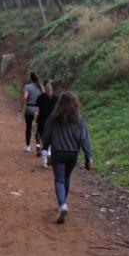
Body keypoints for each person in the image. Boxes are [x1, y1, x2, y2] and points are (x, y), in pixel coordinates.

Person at [41, 91, 93, 224]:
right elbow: (84, 138)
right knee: (66, 177)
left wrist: (45, 148)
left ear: (60, 104)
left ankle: (62, 205)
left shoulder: (53, 117)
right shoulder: (79, 119)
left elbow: (46, 134)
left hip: (58, 153)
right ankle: (63, 202)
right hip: (72, 154)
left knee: (59, 180)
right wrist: (88, 156)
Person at [19, 72, 43, 153]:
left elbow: (25, 97)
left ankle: (28, 146)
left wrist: (21, 108)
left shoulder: (27, 86)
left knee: (28, 128)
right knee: (37, 129)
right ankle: (38, 146)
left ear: (31, 78)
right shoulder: (41, 88)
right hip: (38, 110)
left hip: (29, 109)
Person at [36, 80, 58, 166]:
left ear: (44, 89)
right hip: (53, 121)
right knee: (52, 139)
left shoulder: (40, 97)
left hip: (42, 121)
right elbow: (57, 111)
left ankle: (44, 160)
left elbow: (37, 111)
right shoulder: (56, 98)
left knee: (43, 140)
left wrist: (34, 121)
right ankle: (50, 154)